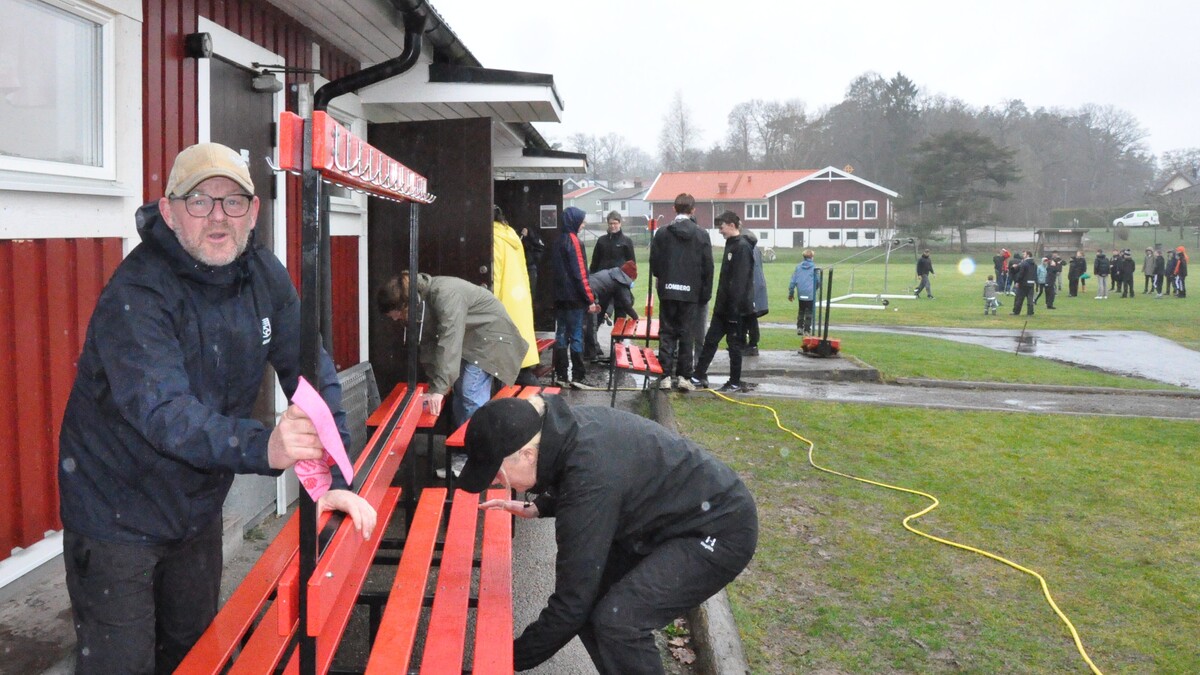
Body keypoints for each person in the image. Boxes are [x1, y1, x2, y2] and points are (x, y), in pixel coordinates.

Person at [58, 142, 377, 675]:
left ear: (253, 212)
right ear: (169, 211)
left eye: (233, 202)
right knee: (121, 664)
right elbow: (165, 412)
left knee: (193, 655)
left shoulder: (263, 274)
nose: (218, 217)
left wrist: (334, 476)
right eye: (199, 201)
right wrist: (265, 446)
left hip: (198, 508)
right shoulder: (137, 294)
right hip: (115, 511)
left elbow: (309, 370)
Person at [457, 395, 758, 674]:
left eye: (498, 474)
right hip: (668, 518)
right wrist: (540, 506)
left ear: (527, 454)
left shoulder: (588, 482)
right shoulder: (563, 431)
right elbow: (586, 476)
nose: (500, 483)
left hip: (719, 528)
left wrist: (502, 661)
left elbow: (570, 606)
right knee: (595, 606)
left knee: (619, 621)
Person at [377, 271, 528, 432]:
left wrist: (439, 389)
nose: (395, 319)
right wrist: (435, 387)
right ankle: (462, 441)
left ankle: (479, 441)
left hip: (492, 337)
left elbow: (449, 340)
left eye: (396, 315)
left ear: (403, 305)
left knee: (469, 391)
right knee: (458, 391)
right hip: (472, 340)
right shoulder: (421, 302)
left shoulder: (445, 295)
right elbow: (428, 346)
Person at [650, 193, 714, 392]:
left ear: (673, 208)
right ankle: (684, 377)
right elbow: (708, 267)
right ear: (693, 210)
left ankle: (665, 376)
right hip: (691, 292)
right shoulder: (701, 234)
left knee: (667, 333)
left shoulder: (662, 233)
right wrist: (705, 294)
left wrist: (663, 279)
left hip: (668, 290)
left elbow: (655, 263)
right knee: (687, 334)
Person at [691, 211, 756, 393]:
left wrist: (734, 311)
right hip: (722, 307)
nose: (720, 231)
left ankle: (734, 382)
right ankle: (698, 375)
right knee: (710, 341)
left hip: (735, 309)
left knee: (734, 345)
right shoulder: (731, 244)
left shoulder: (742, 247)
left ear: (732, 225)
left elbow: (740, 282)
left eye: (722, 227)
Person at [551, 206, 602, 387]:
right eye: (582, 221)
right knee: (576, 335)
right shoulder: (574, 241)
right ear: (574, 221)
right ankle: (578, 376)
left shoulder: (557, 241)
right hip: (574, 298)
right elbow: (580, 273)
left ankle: (561, 374)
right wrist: (590, 299)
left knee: (561, 334)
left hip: (559, 297)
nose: (583, 224)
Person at [492, 205, 540, 384]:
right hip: (518, 300)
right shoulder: (510, 234)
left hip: (504, 302)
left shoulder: (493, 238)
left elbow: (495, 276)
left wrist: (489, 304)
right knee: (521, 364)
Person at [585, 211, 636, 363]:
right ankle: (593, 347)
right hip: (603, 285)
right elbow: (594, 262)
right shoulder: (601, 241)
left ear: (620, 223)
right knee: (598, 316)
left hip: (619, 283)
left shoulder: (626, 241)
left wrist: (629, 281)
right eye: (611, 223)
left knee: (620, 315)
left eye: (615, 223)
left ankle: (618, 347)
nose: (613, 226)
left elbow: (631, 263)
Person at [742, 228, 769, 356]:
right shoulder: (756, 249)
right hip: (757, 285)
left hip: (751, 286)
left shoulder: (746, 249)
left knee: (748, 316)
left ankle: (750, 344)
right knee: (750, 316)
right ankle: (751, 344)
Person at [788, 249, 821, 335]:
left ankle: (799, 328)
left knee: (801, 310)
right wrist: (815, 289)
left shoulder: (798, 267)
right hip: (810, 293)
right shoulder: (814, 268)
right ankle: (807, 330)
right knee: (809, 312)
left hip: (801, 293)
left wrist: (791, 293)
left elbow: (793, 281)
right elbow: (818, 281)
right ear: (812, 257)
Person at [1010, 250, 1037, 316]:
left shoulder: (1024, 263)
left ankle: (1016, 312)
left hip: (1023, 283)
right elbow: (1035, 274)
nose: (1023, 255)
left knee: (1019, 298)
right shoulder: (1034, 264)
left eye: (1024, 254)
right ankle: (1030, 312)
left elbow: (1021, 274)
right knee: (1030, 299)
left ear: (1028, 255)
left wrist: (1017, 281)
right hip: (1031, 283)